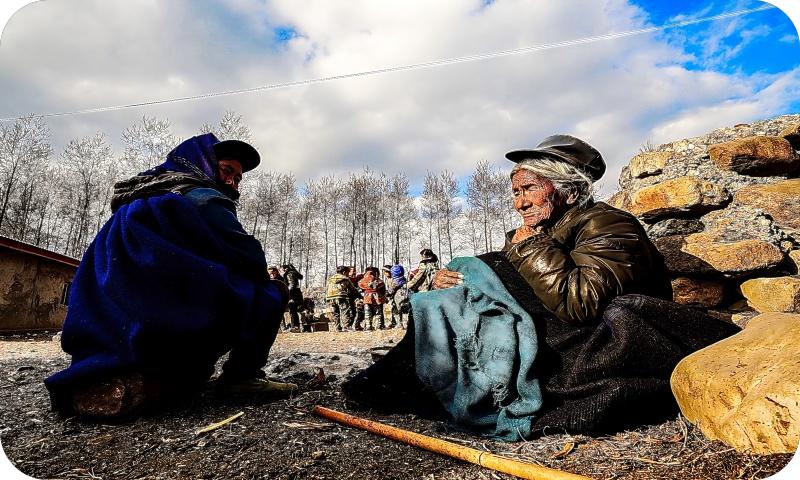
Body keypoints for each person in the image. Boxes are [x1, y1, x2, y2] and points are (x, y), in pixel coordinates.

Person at [344, 134, 739, 439]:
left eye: (530, 188)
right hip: (557, 331)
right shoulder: (544, 230)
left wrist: (525, 249)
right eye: (516, 192)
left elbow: (581, 304)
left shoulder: (608, 224)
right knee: (452, 294)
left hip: (599, 339)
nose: (519, 203)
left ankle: (402, 384)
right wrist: (456, 277)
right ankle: (409, 380)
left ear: (568, 187)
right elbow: (507, 288)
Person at [45, 134, 298, 420]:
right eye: (227, 170)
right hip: (161, 325)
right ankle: (242, 377)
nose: (232, 183)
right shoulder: (203, 196)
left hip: (111, 336)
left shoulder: (139, 198)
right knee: (271, 291)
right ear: (199, 162)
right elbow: (250, 256)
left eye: (238, 179)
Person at [326, 266, 359, 332]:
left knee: (335, 313)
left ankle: (337, 328)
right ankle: (346, 326)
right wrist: (359, 296)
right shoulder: (345, 278)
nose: (348, 274)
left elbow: (327, 288)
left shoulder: (330, 279)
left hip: (330, 297)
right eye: (347, 272)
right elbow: (352, 289)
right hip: (341, 296)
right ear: (344, 272)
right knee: (345, 311)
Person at [281, 264, 304, 331]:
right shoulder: (293, 272)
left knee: (292, 310)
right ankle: (295, 326)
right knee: (293, 310)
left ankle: (295, 327)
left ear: (285, 269)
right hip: (297, 294)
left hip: (293, 295)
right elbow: (300, 277)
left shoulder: (288, 274)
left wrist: (288, 293)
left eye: (282, 269)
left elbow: (292, 284)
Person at [386, 265, 409, 329]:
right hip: (406, 297)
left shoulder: (396, 281)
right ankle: (406, 324)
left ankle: (399, 324)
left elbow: (391, 290)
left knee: (396, 311)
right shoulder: (404, 279)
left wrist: (387, 294)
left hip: (398, 298)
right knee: (405, 311)